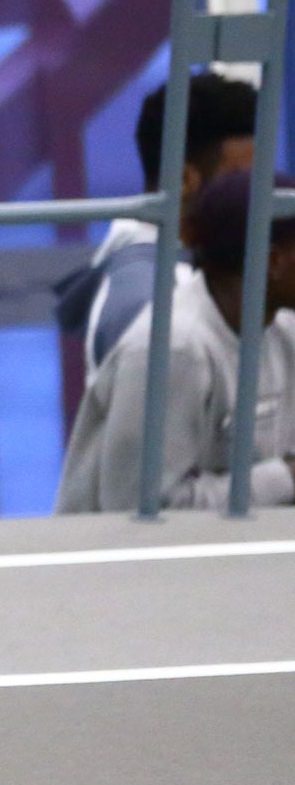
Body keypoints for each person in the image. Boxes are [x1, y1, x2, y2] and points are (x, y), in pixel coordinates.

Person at [56, 169, 295, 513]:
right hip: (128, 563)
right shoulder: (175, 350)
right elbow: (137, 507)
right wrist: (284, 479)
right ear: (273, 261)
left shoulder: (282, 329)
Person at [52, 72, 256, 377]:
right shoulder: (146, 299)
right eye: (240, 178)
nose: (255, 194)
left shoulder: (180, 270)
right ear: (185, 179)